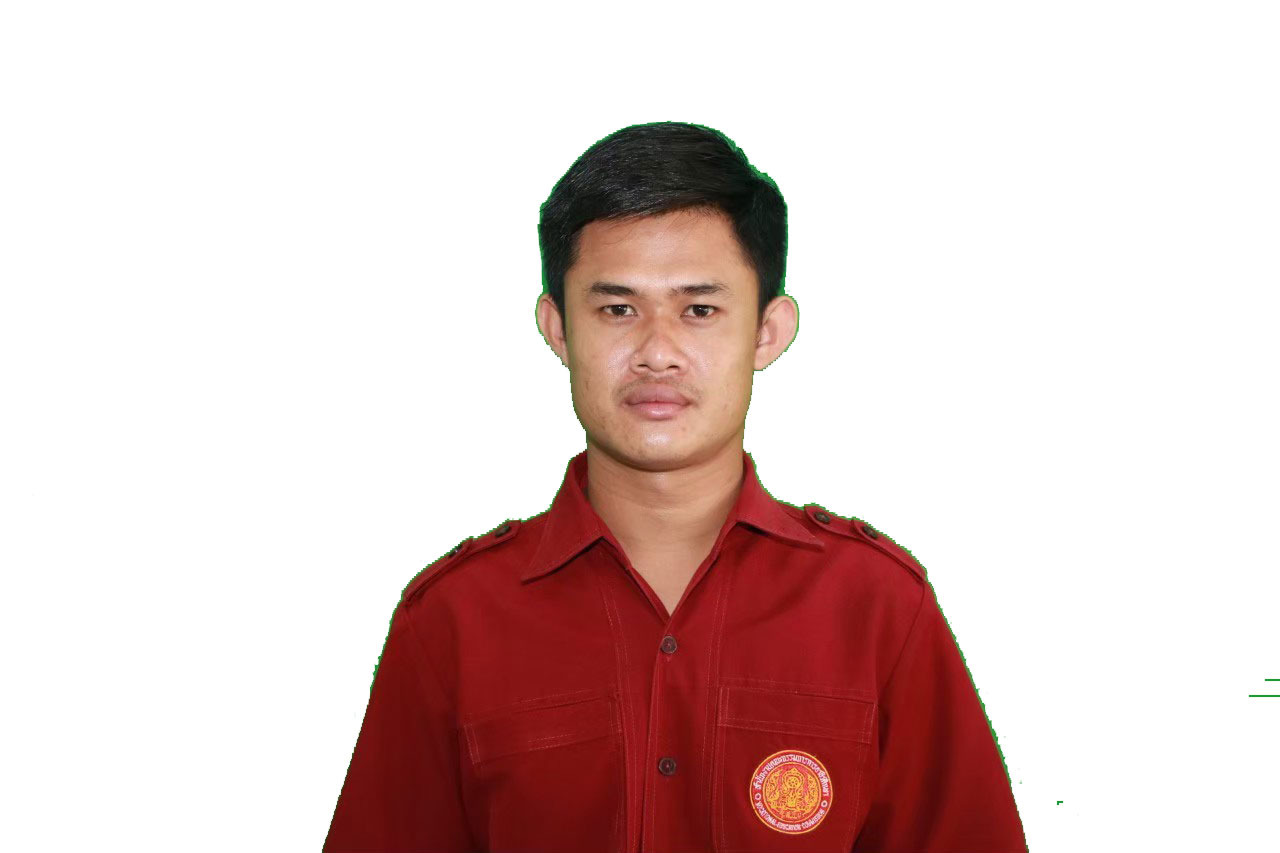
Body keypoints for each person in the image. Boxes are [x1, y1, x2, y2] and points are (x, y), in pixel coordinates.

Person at [323, 121, 1027, 852]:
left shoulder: (877, 609)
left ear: (768, 331)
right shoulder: (453, 621)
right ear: (557, 328)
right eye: (617, 309)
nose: (657, 353)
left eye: (699, 310)